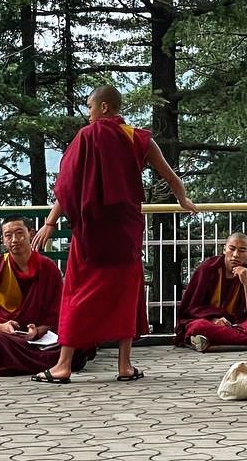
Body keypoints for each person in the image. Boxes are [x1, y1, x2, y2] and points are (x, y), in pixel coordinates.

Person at [31, 84, 197, 384]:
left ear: (104, 107)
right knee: (126, 294)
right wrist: (182, 200)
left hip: (92, 232)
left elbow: (69, 187)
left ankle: (63, 365)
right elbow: (170, 174)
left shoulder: (87, 136)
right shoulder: (139, 138)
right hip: (125, 231)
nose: (88, 114)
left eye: (90, 107)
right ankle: (124, 365)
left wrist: (50, 222)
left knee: (77, 294)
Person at [0, 217, 94, 376]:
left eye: (20, 233)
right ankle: (65, 361)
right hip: (9, 336)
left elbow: (57, 313)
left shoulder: (48, 267)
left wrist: (38, 330)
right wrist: (1, 327)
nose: (15, 240)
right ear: (3, 240)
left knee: (80, 331)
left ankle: (23, 363)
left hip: (42, 336)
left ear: (31, 233)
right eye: (8, 235)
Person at [174, 232, 247, 352]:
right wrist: (214, 319)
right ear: (224, 249)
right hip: (210, 322)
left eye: (242, 251)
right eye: (231, 249)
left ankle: (211, 340)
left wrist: (246, 283)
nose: (235, 255)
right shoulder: (208, 269)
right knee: (198, 326)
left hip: (237, 325)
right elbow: (192, 308)